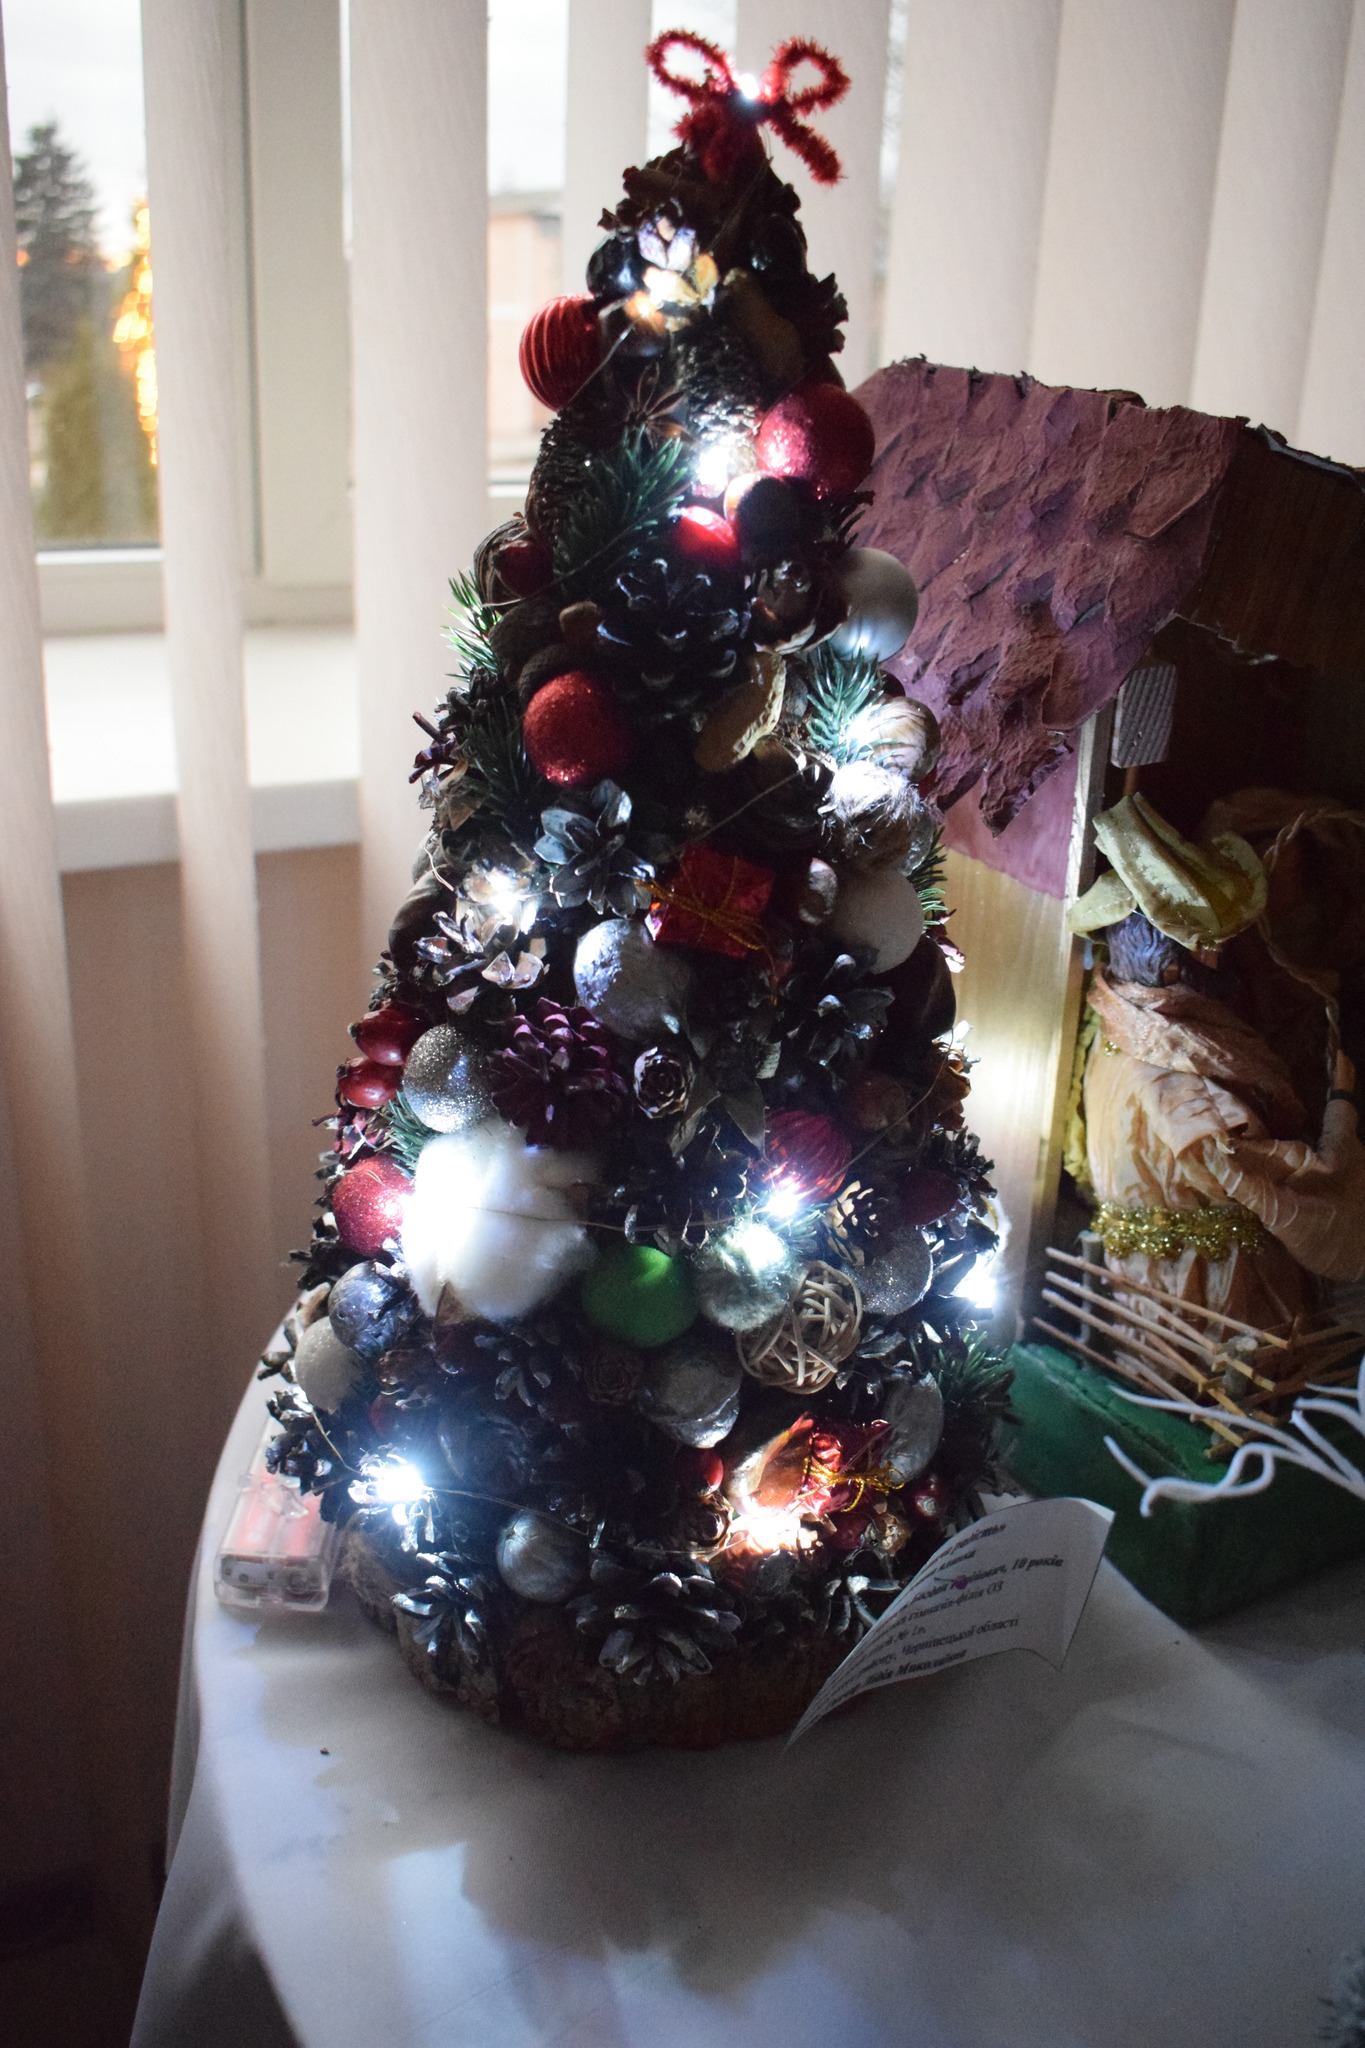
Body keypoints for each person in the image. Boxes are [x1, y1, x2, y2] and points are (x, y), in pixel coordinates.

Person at [1067, 793, 1365, 1342]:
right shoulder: (1184, 1083)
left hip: (1151, 1299)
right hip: (1215, 1310)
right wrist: (1343, 1103)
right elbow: (1303, 1195)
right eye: (1212, 945)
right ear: (1177, 962)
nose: (1227, 958)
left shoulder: (1114, 1020)